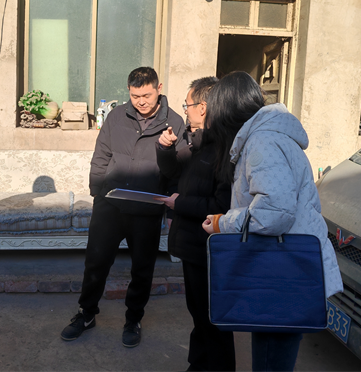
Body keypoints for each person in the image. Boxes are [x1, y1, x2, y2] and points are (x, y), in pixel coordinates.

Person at [201, 71, 342, 372]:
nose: (209, 123)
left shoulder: (262, 141)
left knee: (271, 360)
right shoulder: (268, 135)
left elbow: (274, 213)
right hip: (288, 268)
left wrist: (224, 223)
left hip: (283, 273)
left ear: (226, 113)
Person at [60, 66, 186, 348]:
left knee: (142, 268)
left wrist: (170, 210)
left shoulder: (175, 123)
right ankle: (86, 313)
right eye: (135, 96)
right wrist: (97, 193)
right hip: (110, 206)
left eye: (146, 95)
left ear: (159, 89)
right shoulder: (117, 116)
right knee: (95, 262)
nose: (141, 102)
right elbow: (101, 156)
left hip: (147, 209)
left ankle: (133, 319)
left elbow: (178, 172)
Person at [155, 76, 235, 372]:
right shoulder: (199, 144)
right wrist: (165, 149)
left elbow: (221, 208)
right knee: (200, 316)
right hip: (193, 246)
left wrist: (180, 204)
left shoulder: (223, 150)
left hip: (209, 249)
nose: (185, 111)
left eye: (187, 105)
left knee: (212, 321)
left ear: (203, 107)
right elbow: (174, 172)